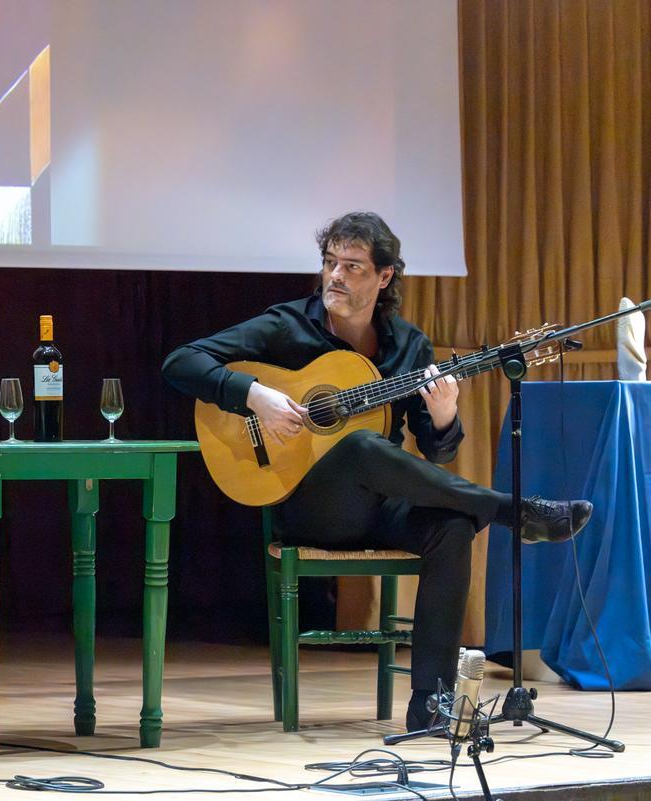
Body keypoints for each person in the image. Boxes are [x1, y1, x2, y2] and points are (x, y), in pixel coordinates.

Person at [162, 211, 592, 732]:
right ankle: (510, 510)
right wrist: (256, 397)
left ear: (384, 277)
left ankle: (429, 706)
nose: (335, 277)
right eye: (329, 263)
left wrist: (444, 417)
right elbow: (181, 362)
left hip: (379, 507)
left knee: (452, 527)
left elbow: (436, 455)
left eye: (352, 266)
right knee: (363, 445)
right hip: (307, 506)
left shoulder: (408, 346)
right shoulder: (286, 326)